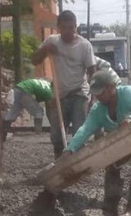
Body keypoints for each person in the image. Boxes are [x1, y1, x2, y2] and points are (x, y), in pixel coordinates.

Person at [64, 70, 131, 216]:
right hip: (124, 141)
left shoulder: (128, 93)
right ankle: (110, 210)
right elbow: (85, 129)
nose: (98, 96)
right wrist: (70, 149)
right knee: (112, 163)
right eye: (96, 93)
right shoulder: (98, 109)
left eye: (101, 92)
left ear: (112, 87)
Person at [31, 10, 96, 157]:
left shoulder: (84, 45)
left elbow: (93, 71)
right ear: (58, 27)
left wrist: (94, 95)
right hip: (58, 95)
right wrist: (45, 50)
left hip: (79, 93)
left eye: (71, 28)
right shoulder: (52, 41)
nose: (68, 31)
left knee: (79, 133)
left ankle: (78, 166)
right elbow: (35, 60)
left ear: (76, 27)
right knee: (57, 135)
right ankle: (60, 165)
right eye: (64, 28)